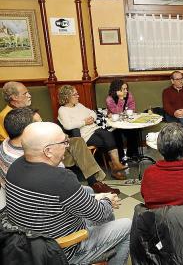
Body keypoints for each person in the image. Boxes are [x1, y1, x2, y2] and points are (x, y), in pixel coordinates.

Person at [5, 121, 131, 265]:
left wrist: (97, 198)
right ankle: (106, 247)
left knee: (89, 191)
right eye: (64, 142)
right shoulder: (61, 179)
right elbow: (100, 213)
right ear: (48, 151)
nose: (67, 146)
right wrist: (107, 200)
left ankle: (107, 242)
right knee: (126, 224)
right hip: (62, 249)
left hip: (32, 243)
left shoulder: (15, 167)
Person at [0, 82, 117, 193]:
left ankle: (94, 182)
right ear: (14, 97)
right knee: (78, 144)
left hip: (44, 146)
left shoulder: (23, 111)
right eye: (25, 93)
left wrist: (58, 137)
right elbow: (20, 145)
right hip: (39, 154)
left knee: (78, 141)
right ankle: (94, 182)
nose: (29, 96)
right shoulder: (8, 116)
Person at [58, 85, 128, 180]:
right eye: (75, 94)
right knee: (109, 139)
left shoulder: (79, 105)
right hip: (84, 136)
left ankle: (115, 165)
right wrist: (84, 122)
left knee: (108, 134)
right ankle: (115, 166)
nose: (78, 96)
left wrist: (91, 119)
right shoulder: (63, 110)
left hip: (95, 129)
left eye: (77, 94)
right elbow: (68, 125)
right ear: (67, 97)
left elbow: (93, 113)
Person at [106, 79, 139, 160]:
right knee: (116, 134)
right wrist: (121, 99)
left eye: (126, 89)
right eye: (123, 89)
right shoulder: (109, 99)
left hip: (126, 121)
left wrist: (125, 114)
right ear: (116, 90)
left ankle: (132, 154)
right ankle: (120, 156)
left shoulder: (129, 95)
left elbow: (132, 108)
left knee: (133, 131)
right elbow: (117, 112)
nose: (126, 91)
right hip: (115, 123)